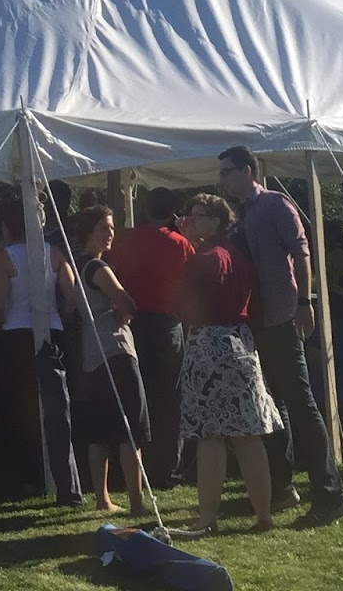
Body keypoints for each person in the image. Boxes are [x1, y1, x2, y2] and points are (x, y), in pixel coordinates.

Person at [217, 146, 343, 527]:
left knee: (301, 403)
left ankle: (330, 493)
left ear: (247, 170)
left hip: (282, 316)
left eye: (227, 172)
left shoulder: (275, 204)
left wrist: (306, 302)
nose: (222, 180)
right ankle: (282, 488)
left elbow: (302, 253)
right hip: (257, 321)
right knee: (275, 405)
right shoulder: (240, 215)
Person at [173, 194, 280, 537]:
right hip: (241, 342)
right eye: (189, 214)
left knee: (210, 437)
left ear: (218, 221)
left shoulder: (202, 259)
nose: (190, 220)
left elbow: (184, 305)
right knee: (248, 435)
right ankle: (263, 514)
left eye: (199, 215)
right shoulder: (237, 256)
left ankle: (207, 516)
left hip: (208, 343)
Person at [0, 196, 82, 504]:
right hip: (51, 331)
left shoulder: (5, 256)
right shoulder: (53, 252)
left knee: (22, 406)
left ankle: (30, 474)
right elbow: (72, 296)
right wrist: (61, 317)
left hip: (16, 334)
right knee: (56, 404)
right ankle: (61, 474)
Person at [109, 185, 194, 486]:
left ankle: (129, 465)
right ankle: (168, 467)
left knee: (134, 395)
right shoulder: (182, 244)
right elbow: (193, 284)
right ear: (172, 212)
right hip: (167, 324)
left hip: (131, 322)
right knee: (169, 397)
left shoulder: (124, 239)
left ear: (145, 208)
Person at [73, 203, 151, 515]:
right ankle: (137, 502)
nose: (110, 233)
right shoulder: (97, 267)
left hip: (93, 354)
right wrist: (125, 310)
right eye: (104, 227)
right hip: (116, 349)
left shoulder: (76, 265)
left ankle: (102, 498)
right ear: (88, 231)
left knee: (101, 430)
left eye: (112, 227)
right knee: (131, 429)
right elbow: (125, 301)